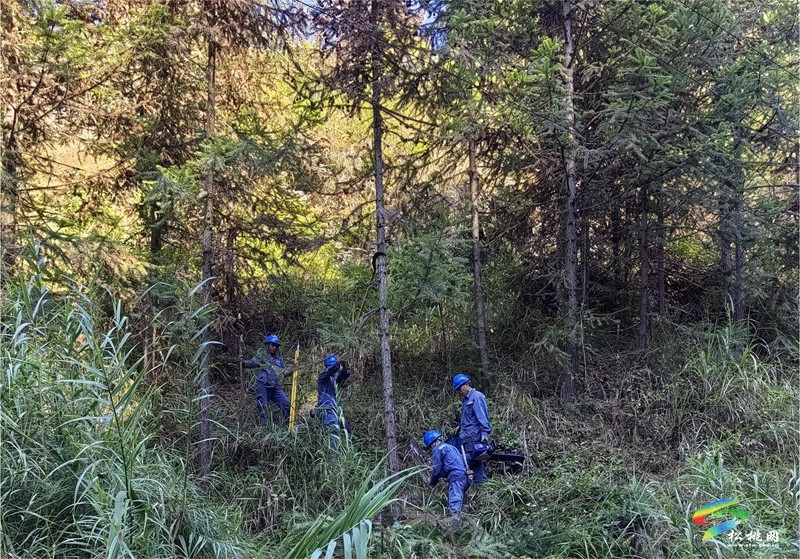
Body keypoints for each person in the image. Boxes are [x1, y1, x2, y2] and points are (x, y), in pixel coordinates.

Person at [424, 429, 471, 528]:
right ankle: (465, 523)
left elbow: (436, 469)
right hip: (465, 476)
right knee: (461, 500)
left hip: (456, 477)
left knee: (454, 501)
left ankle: (455, 528)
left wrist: (432, 481)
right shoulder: (451, 447)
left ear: (432, 443)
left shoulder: (438, 449)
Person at [452, 373, 492, 485]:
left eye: (459, 389)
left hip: (474, 437)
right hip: (466, 437)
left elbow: (482, 416)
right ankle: (480, 487)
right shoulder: (466, 400)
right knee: (473, 464)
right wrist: (460, 427)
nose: (460, 391)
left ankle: (479, 485)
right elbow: (469, 417)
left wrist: (484, 434)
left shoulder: (477, 397)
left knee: (472, 462)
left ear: (465, 385)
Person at [243, 334, 291, 427]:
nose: (274, 347)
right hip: (263, 385)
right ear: (268, 345)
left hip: (275, 387)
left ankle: (286, 425)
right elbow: (252, 363)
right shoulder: (262, 356)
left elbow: (284, 372)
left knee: (286, 404)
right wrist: (243, 363)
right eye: (272, 345)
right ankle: (265, 427)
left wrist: (293, 371)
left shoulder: (279, 360)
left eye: (276, 346)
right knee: (262, 406)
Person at [316, 353, 352, 448]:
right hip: (327, 410)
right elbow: (331, 369)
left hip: (335, 411)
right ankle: (334, 458)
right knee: (333, 433)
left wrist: (343, 366)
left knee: (347, 429)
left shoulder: (334, 379)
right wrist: (337, 363)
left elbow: (345, 374)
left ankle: (344, 452)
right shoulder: (323, 376)